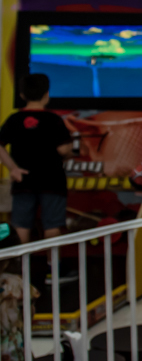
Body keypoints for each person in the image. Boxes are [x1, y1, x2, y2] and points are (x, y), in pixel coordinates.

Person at [0, 74, 74, 245]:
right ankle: (53, 267)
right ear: (47, 94)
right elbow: (64, 149)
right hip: (52, 179)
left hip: (23, 180)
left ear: (22, 95)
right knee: (53, 226)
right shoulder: (54, 120)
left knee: (21, 225)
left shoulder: (14, 119)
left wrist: (13, 168)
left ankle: (19, 268)